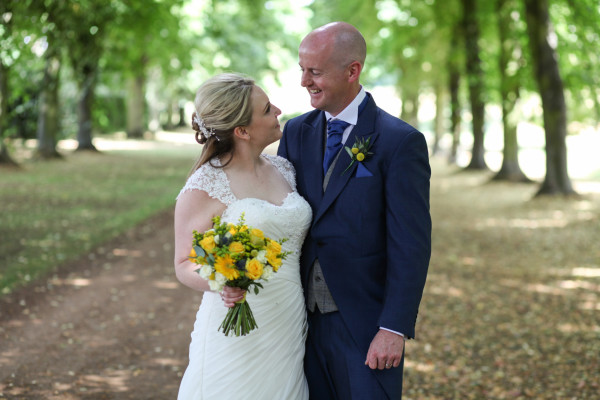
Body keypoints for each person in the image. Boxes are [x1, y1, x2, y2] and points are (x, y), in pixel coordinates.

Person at [278, 22, 432, 399]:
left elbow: (410, 245)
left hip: (365, 327)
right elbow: (279, 216)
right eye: (302, 69)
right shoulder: (295, 132)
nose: (304, 82)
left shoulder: (400, 142)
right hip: (297, 322)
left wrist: (393, 328)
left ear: (352, 70)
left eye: (314, 72)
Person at [174, 73, 311, 399]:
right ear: (242, 131)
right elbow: (184, 263)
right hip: (236, 327)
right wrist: (222, 280)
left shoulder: (284, 169)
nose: (278, 110)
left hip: (288, 323)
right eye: (266, 109)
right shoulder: (204, 185)